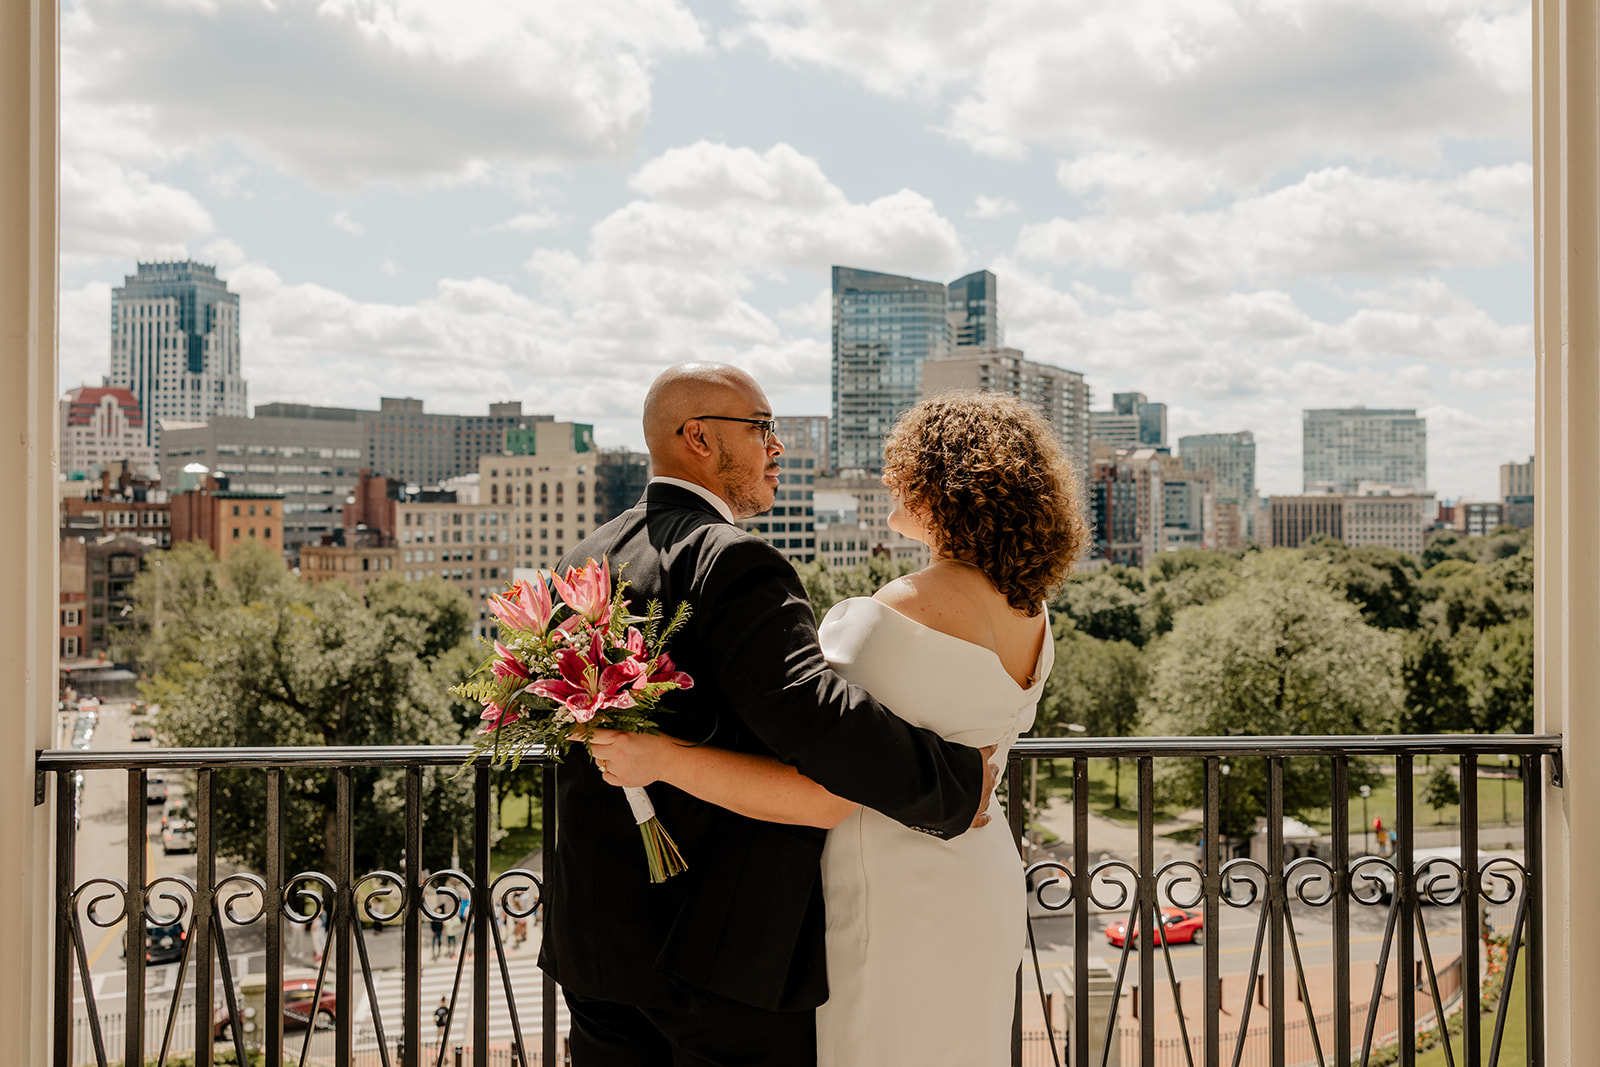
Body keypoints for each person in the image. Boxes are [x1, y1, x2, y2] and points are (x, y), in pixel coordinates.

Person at [593, 390, 1085, 1065]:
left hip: (888, 878)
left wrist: (661, 756)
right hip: (983, 867)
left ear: (948, 487)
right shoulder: (1034, 612)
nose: (888, 478)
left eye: (905, 467)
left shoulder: (888, 615)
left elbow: (818, 783)